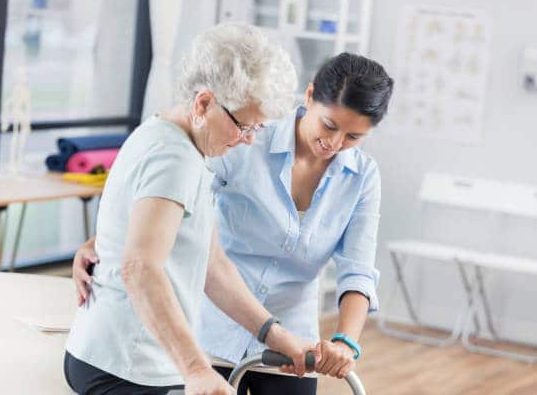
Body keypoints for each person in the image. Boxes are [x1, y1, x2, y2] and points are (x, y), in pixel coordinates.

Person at [75, 52, 394, 394]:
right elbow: (175, 203)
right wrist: (106, 240)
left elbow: (357, 268)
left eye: (353, 137)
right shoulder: (246, 136)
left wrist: (345, 342)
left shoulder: (362, 177)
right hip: (210, 327)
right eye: (329, 125)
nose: (334, 143)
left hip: (292, 339)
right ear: (310, 96)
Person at [64, 23, 311, 395]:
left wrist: (273, 335)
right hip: (124, 365)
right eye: (245, 126)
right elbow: (140, 268)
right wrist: (196, 368)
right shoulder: (173, 157)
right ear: (203, 103)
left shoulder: (183, 145)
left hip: (130, 359)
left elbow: (212, 265)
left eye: (258, 129)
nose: (248, 141)